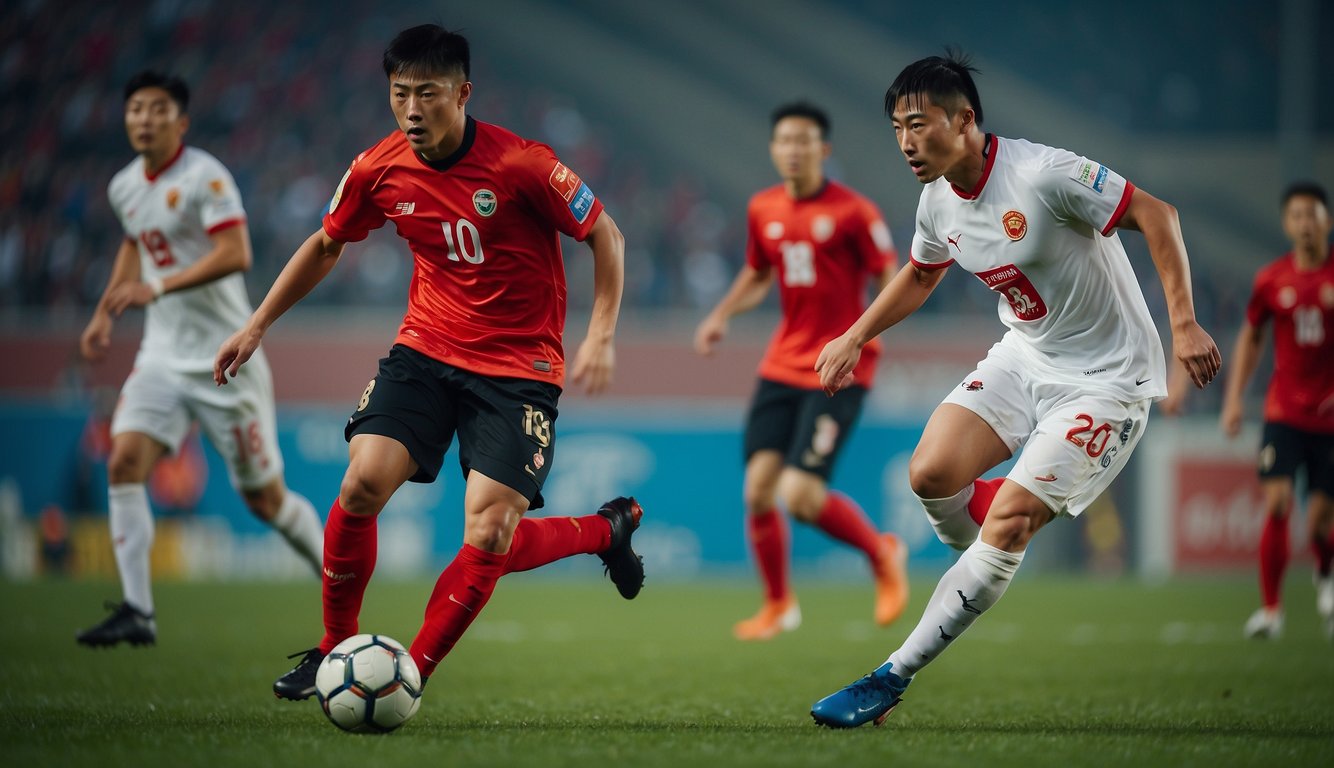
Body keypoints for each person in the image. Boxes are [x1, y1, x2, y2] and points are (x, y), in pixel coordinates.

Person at [213, 24, 643, 700]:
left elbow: (607, 234)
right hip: (426, 350)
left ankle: (408, 673)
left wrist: (604, 333)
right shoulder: (376, 168)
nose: (412, 109)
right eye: (399, 93)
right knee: (360, 486)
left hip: (518, 369)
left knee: (491, 528)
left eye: (428, 94)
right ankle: (332, 652)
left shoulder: (524, 165)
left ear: (463, 93)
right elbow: (327, 245)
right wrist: (258, 322)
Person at [807, 52, 1221, 727]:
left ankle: (888, 678)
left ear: (965, 120)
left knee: (1007, 525)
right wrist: (854, 335)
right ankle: (994, 538)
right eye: (896, 129)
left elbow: (1158, 215)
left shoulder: (1044, 174)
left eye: (920, 124)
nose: (907, 141)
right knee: (931, 472)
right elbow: (920, 274)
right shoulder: (937, 198)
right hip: (1026, 357)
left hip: (1108, 381)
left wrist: (1184, 325)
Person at [76, 71, 325, 648]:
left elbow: (236, 252)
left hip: (224, 357)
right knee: (123, 464)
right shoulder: (123, 187)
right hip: (161, 355)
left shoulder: (204, 177)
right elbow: (134, 241)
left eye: (157, 109)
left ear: (180, 122)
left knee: (266, 500)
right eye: (135, 108)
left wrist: (157, 289)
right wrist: (102, 313)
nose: (143, 118)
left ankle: (338, 585)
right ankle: (138, 609)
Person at [694, 102, 908, 640]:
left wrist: (863, 339)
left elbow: (892, 277)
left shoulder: (855, 212)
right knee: (758, 491)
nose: (793, 149)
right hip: (782, 364)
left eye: (804, 140)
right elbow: (758, 272)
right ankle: (778, 605)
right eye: (784, 140)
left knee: (801, 496)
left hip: (839, 368)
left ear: (823, 149)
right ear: (773, 148)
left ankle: (881, 552)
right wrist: (721, 314)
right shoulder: (762, 207)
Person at [1168, 182, 1333, 640]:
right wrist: (1235, 398)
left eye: (1312, 215)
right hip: (1285, 411)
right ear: (1287, 223)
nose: (1304, 224)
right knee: (1277, 503)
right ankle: (1272, 610)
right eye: (1296, 215)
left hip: (1331, 420)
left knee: (1321, 520)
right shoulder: (1272, 279)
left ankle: (1324, 570)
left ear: (1327, 222)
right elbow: (1253, 337)